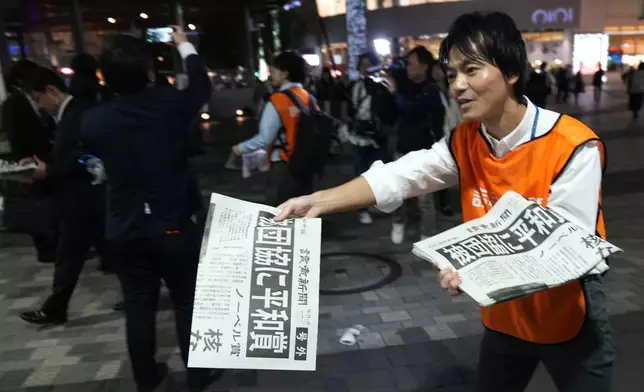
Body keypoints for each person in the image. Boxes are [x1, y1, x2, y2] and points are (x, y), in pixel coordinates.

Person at [276, 11, 613, 392]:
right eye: (452, 74)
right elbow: (403, 174)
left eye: (472, 70)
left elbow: (564, 251)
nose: (458, 86)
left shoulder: (572, 145)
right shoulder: (464, 139)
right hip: (503, 319)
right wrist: (321, 201)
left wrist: (477, 268)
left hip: (569, 318)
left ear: (511, 72)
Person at [81, 27, 217, 392]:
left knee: (138, 303)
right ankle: (199, 375)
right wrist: (184, 45)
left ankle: (146, 377)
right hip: (172, 222)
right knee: (186, 300)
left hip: (124, 226)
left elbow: (88, 160)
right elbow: (202, 85)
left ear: (105, 78)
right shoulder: (169, 105)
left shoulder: (94, 120)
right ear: (149, 72)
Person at [19, 67, 108, 326]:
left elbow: (85, 157)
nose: (39, 107)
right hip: (80, 200)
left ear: (52, 91)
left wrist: (49, 170)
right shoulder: (69, 113)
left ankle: (144, 293)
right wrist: (42, 162)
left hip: (85, 198)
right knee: (73, 254)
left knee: (84, 253)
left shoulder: (78, 113)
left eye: (37, 99)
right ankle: (55, 307)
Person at [232, 50, 315, 206]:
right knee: (303, 214)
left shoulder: (278, 100)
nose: (271, 75)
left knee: (279, 214)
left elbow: (265, 138)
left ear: (284, 74)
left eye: (274, 71)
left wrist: (240, 148)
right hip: (307, 164)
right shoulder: (309, 98)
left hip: (284, 165)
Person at [382, 46, 445, 244]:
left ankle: (427, 235)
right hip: (402, 147)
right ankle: (399, 222)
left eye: (411, 63)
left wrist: (395, 93)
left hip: (424, 152)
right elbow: (392, 115)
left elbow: (413, 110)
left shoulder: (431, 91)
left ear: (424, 66)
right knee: (397, 192)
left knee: (425, 200)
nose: (407, 67)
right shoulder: (404, 86)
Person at [1, 60, 58, 263]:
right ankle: (45, 247)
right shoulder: (14, 103)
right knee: (37, 205)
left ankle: (54, 243)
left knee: (49, 202)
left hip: (47, 157)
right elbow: (15, 133)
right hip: (31, 160)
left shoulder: (37, 101)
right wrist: (23, 158)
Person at [344, 52, 396, 225]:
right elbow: (349, 108)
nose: (365, 68)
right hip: (358, 134)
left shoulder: (381, 87)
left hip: (377, 134)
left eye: (368, 64)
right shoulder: (354, 86)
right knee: (360, 173)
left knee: (380, 171)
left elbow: (389, 110)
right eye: (362, 64)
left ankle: (377, 203)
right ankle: (363, 208)